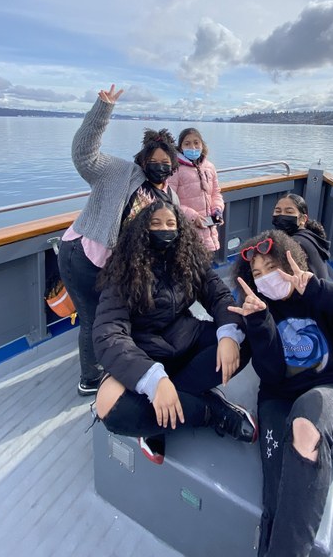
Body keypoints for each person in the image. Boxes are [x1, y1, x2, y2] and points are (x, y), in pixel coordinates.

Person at [230, 229, 333, 557]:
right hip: (280, 399)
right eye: (257, 274)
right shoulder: (259, 310)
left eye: (272, 267)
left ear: (291, 262)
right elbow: (273, 374)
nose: (266, 278)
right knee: (276, 494)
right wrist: (260, 324)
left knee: (306, 420)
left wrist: (320, 291)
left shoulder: (319, 295)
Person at [92, 200, 257, 463]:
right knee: (109, 406)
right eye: (155, 224)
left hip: (186, 341)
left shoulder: (189, 259)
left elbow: (219, 296)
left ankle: (157, 418)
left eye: (171, 224)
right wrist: (153, 380)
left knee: (245, 339)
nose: (165, 229)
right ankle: (210, 410)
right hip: (144, 354)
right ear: (141, 231)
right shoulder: (122, 272)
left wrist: (228, 335)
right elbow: (109, 334)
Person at [58, 84, 181, 396]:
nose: (160, 166)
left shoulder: (168, 194)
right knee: (92, 318)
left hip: (116, 267)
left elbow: (174, 226)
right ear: (142, 160)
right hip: (84, 254)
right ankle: (90, 379)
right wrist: (102, 111)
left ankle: (124, 362)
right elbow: (84, 155)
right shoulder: (119, 172)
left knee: (118, 316)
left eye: (166, 162)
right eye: (153, 160)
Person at [168, 127, 224, 253]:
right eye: (187, 144)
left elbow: (216, 193)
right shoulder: (175, 169)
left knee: (208, 263)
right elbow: (170, 200)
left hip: (209, 230)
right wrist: (192, 216)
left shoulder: (209, 167)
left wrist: (217, 210)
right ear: (181, 147)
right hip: (188, 232)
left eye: (196, 142)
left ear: (202, 145)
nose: (192, 147)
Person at [272, 193, 331, 279]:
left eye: (289, 212)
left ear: (303, 219)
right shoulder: (311, 235)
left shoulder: (294, 244)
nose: (282, 215)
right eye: (278, 211)